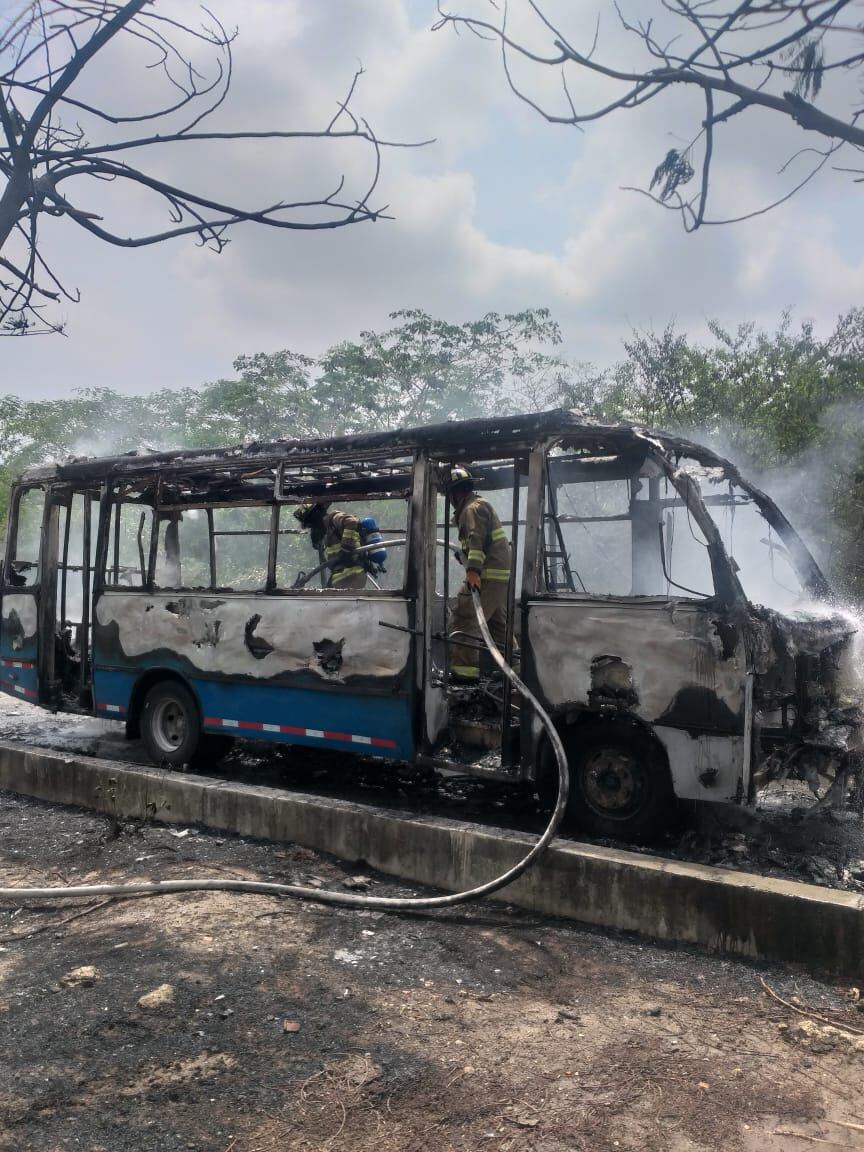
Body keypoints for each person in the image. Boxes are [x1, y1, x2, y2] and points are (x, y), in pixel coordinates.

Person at [447, 467, 514, 682]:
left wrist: (473, 571)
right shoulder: (477, 506)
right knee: (497, 625)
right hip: (497, 575)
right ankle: (514, 668)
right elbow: (480, 545)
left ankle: (464, 675)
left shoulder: (471, 509)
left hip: (486, 575)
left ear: (455, 493)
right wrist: (466, 559)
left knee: (465, 618)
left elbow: (476, 541)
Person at [293, 501, 367, 589]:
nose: (312, 529)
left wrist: (346, 548)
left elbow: (352, 522)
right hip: (340, 577)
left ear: (315, 518)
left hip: (353, 575)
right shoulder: (327, 530)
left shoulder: (334, 518)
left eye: (310, 525)